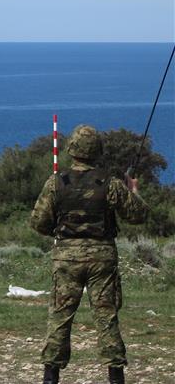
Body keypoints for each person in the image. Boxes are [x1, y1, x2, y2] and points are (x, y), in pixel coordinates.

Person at [30, 125, 149, 384]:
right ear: (97, 152)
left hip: (66, 258)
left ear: (72, 150)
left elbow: (38, 222)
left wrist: (60, 232)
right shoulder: (111, 184)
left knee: (60, 318)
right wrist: (134, 190)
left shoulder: (56, 182)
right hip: (102, 258)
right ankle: (115, 376)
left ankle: (50, 377)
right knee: (106, 318)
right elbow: (138, 215)